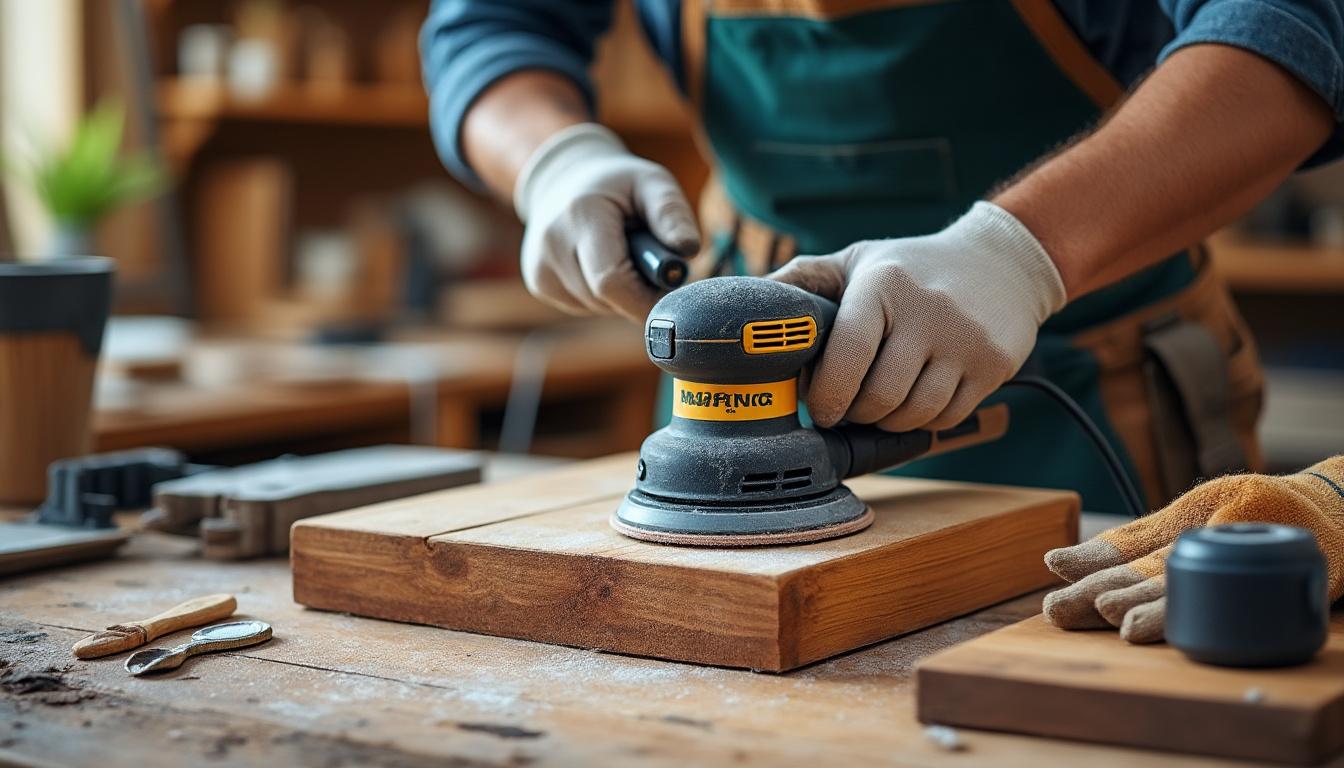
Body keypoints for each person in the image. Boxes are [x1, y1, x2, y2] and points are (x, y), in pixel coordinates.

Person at [419, 0, 1341, 519]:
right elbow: (491, 24)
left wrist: (1019, 257)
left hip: (1093, 380)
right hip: (758, 387)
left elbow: (1290, 33)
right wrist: (552, 160)